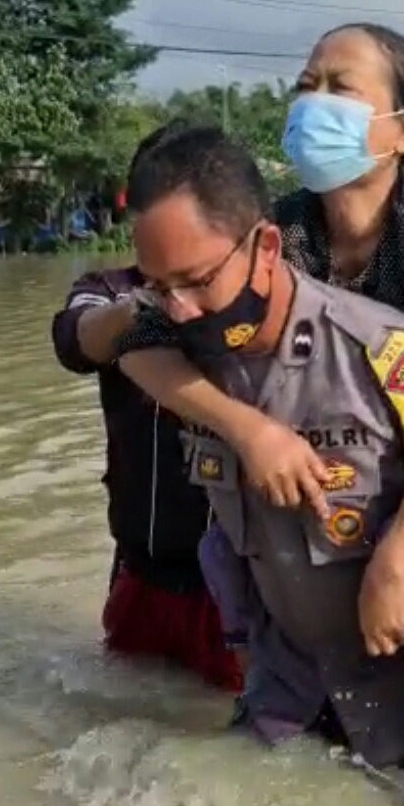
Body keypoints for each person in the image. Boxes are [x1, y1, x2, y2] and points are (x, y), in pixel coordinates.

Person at [106, 24, 404, 806]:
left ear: (403, 129)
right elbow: (144, 342)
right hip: (369, 423)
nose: (310, 102)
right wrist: (252, 434)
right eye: (305, 83)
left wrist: (395, 557)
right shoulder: (284, 229)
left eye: (339, 87)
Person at [49, 123, 242, 694]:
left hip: (236, 587)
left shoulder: (249, 294)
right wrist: (152, 303)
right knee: (121, 706)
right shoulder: (110, 291)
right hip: (142, 573)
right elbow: (75, 341)